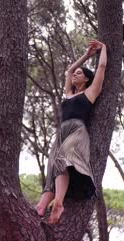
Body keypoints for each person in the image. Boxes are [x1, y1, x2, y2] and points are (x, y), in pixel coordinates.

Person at [35, 40, 107, 224]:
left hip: (77, 130)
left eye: (79, 73)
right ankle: (42, 206)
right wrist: (86, 55)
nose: (74, 74)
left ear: (86, 79)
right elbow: (68, 71)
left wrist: (103, 48)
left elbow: (102, 66)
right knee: (53, 169)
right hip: (62, 132)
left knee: (61, 161)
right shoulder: (69, 94)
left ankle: (58, 203)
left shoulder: (91, 93)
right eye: (75, 72)